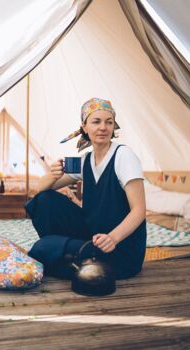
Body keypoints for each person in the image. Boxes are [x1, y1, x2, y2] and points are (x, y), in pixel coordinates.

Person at [25, 97, 147, 280]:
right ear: (84, 126)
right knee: (45, 201)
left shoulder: (124, 156)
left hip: (120, 247)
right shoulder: (84, 160)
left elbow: (139, 210)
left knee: (42, 249)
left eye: (109, 122)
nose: (103, 127)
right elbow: (40, 190)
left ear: (114, 126)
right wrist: (53, 174)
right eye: (96, 122)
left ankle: (64, 251)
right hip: (93, 237)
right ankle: (66, 249)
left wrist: (112, 238)